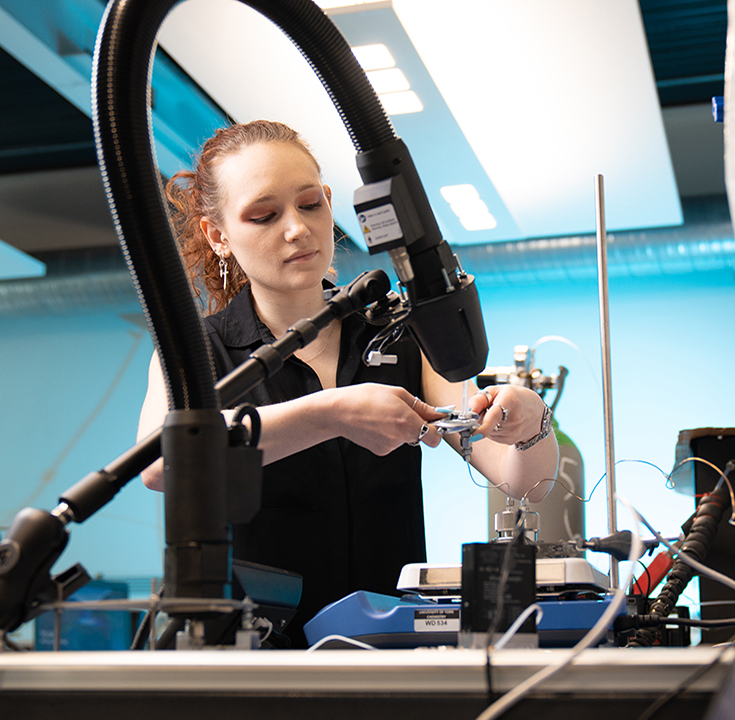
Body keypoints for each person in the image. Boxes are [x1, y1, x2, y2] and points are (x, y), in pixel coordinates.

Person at [136, 120, 558, 647]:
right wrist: (331, 412)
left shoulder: (402, 332)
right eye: (264, 215)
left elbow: (522, 481)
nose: (296, 229)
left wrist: (530, 420)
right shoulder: (196, 351)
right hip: (252, 660)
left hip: (387, 654)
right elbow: (161, 463)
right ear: (217, 235)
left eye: (310, 204)